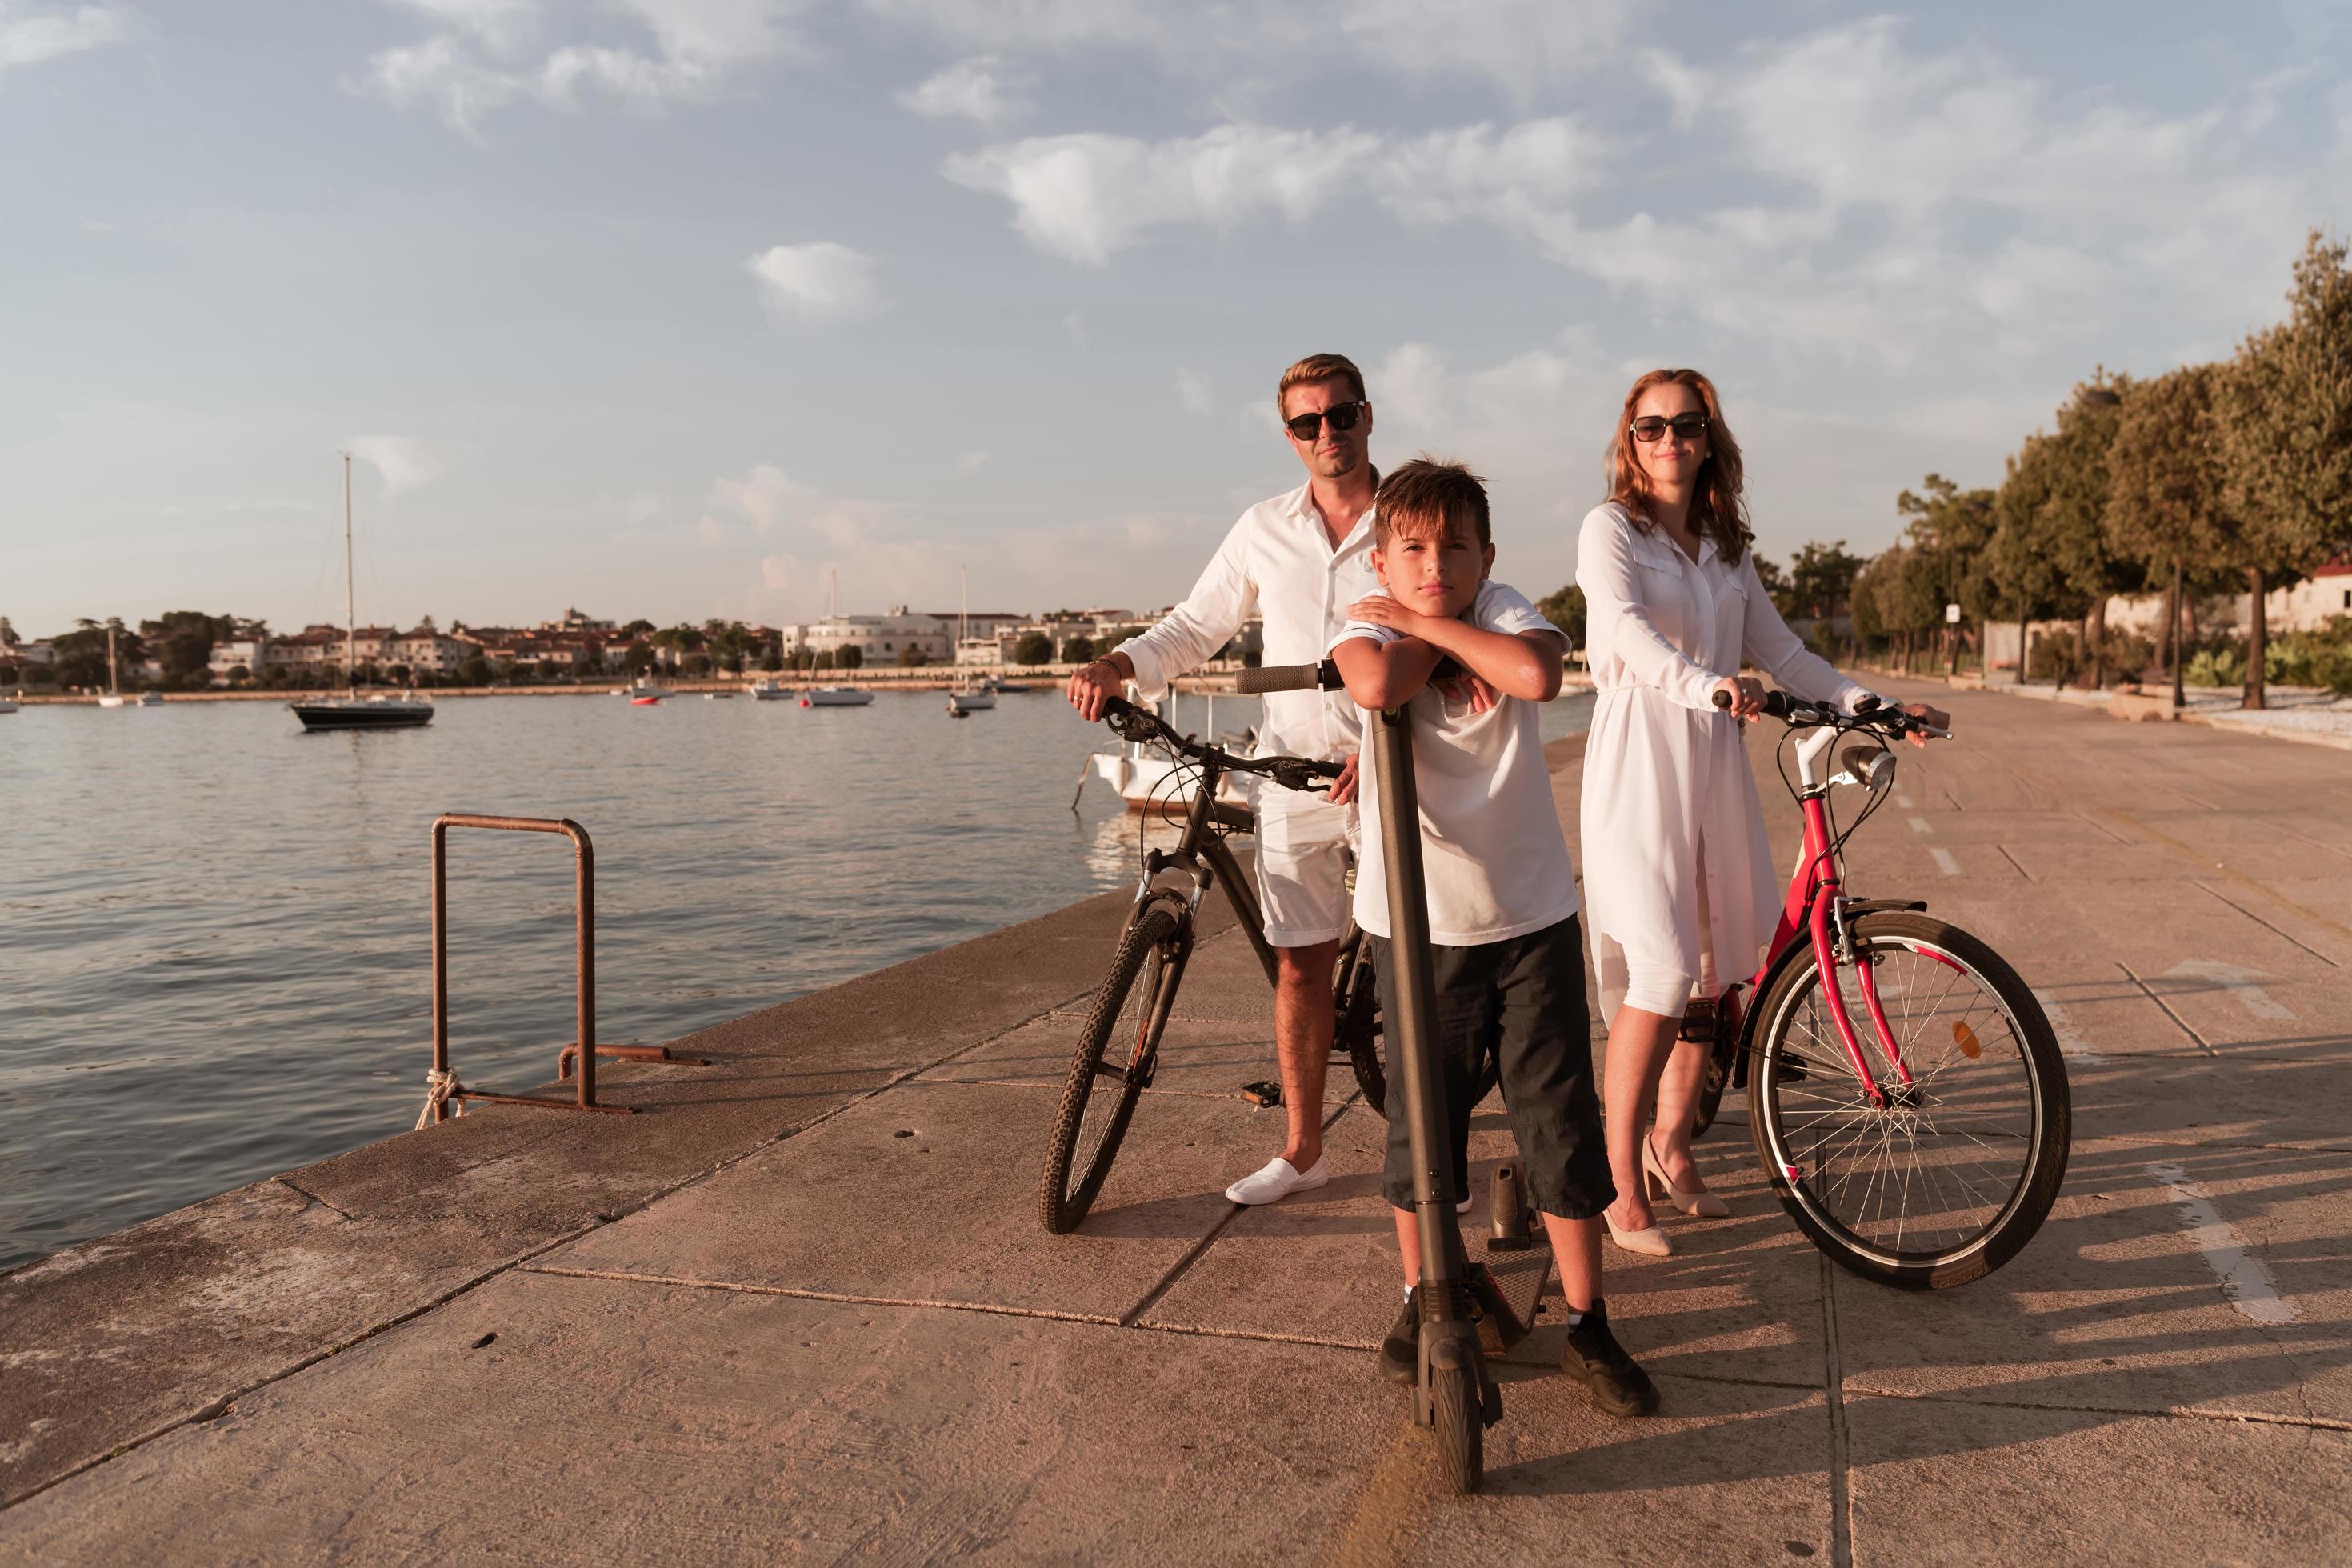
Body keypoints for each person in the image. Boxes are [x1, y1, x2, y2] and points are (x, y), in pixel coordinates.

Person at [1575, 368, 1950, 1257]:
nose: (1669, 439)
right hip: (1642, 757)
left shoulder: (1726, 545)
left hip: (1713, 757)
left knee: (1711, 973)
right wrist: (1702, 681)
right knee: (1660, 972)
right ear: (1629, 441)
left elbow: (1783, 650)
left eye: (1686, 424)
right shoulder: (1610, 530)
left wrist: (1872, 703)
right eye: (1651, 426)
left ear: (1710, 438)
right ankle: (1617, 1177)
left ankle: (1673, 1148)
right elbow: (1624, 630)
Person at [1331, 458, 1654, 1416]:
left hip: (1529, 915)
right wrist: (1432, 640)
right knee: (1422, 1123)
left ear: (1488, 557)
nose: (1435, 566)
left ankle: (1588, 1322)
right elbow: (1377, 687)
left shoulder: (1505, 606)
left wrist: (1433, 628)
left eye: (1456, 549)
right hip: (1419, 924)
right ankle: (1426, 1293)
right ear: (1383, 556)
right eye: (1415, 552)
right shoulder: (1364, 611)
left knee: (1556, 1117)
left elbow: (1538, 674)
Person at [1066, 353, 1378, 1206]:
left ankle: (1434, 1149)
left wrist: (1393, 743)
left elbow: (1445, 632)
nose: (1328, 434)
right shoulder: (1264, 526)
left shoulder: (1410, 518)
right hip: (1289, 775)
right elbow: (1197, 624)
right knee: (1299, 964)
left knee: (1419, 960)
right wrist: (1119, 663)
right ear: (1289, 435)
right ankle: (1304, 1148)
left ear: (1367, 417)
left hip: (1386, 770)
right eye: (1309, 423)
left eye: (1341, 415)